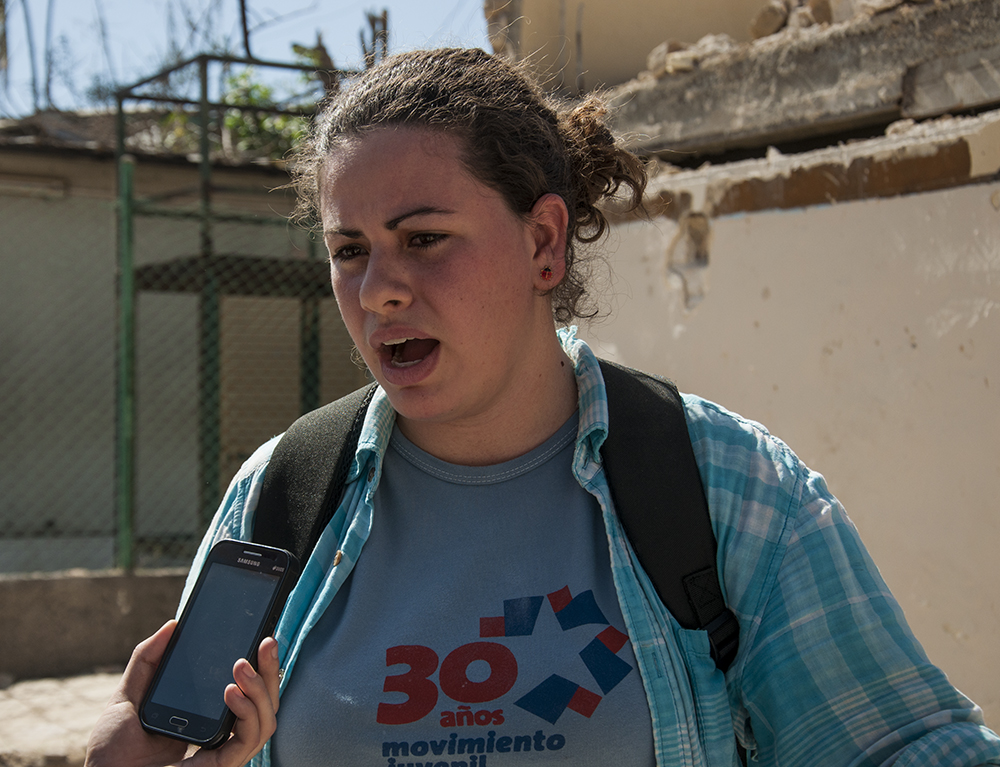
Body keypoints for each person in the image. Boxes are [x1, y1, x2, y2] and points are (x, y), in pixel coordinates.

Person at [86, 47, 1000, 767]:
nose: (378, 290)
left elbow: (902, 745)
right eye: (349, 249)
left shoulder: (727, 486)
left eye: (424, 238)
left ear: (544, 243)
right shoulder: (284, 494)